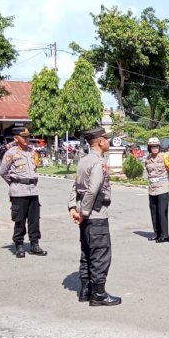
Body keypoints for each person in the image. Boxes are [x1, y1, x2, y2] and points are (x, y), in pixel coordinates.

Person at [67, 127, 121, 306]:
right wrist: (83, 212)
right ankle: (98, 294)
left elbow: (75, 186)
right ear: (100, 142)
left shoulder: (83, 161)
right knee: (100, 254)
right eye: (106, 138)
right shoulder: (98, 162)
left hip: (86, 215)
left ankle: (85, 290)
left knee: (87, 252)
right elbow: (92, 190)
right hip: (96, 215)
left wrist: (73, 207)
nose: (108, 141)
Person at [0, 127, 47, 259]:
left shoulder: (32, 152)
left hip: (33, 190)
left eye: (28, 137)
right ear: (16, 138)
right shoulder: (11, 153)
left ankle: (34, 244)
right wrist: (15, 183)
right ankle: (19, 245)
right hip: (18, 191)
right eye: (23, 137)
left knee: (34, 219)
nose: (27, 139)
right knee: (19, 220)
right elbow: (3, 172)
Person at [145, 136, 169, 243]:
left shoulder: (164, 157)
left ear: (159, 146)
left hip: (162, 187)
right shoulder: (148, 159)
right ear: (149, 147)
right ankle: (157, 233)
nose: (154, 148)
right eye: (152, 147)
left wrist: (168, 182)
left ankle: (164, 235)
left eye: (156, 146)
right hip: (152, 188)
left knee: (162, 212)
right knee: (154, 212)